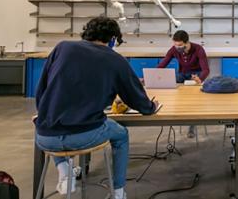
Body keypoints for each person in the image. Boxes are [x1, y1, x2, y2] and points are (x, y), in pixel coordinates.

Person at [34, 17, 159, 199]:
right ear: (113, 39)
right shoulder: (115, 59)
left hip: (45, 138)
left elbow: (42, 89)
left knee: (51, 125)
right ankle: (118, 191)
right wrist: (150, 107)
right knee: (121, 135)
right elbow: (135, 98)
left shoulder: (62, 48)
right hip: (85, 135)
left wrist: (42, 114)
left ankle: (64, 169)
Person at [157, 30, 210, 138]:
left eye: (180, 45)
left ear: (187, 42)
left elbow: (206, 69)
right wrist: (153, 74)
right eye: (175, 45)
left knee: (192, 102)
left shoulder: (198, 49)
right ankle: (177, 116)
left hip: (195, 76)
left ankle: (191, 126)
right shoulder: (174, 49)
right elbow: (164, 63)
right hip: (182, 74)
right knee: (178, 95)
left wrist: (200, 79)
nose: (177, 47)